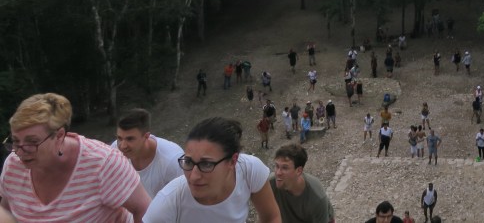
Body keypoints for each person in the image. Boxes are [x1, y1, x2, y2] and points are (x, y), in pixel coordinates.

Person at [0, 92, 150, 223]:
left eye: (32, 142)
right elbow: (6, 212)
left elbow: (145, 210)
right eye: (15, 141)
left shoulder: (102, 163)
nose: (20, 151)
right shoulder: (13, 165)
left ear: (59, 136)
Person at [143, 116, 281, 223]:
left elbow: (271, 217)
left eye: (206, 164)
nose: (193, 176)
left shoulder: (249, 169)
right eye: (189, 162)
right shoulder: (167, 205)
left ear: (232, 161)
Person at [115, 107, 185, 198]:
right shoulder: (113, 151)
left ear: (146, 136)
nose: (123, 146)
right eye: (119, 138)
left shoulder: (172, 160)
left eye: (130, 139)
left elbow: (184, 198)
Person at [270, 144, 334, 223]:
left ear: (298, 171)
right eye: (277, 166)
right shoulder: (269, 184)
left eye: (285, 168)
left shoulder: (317, 197)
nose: (278, 173)